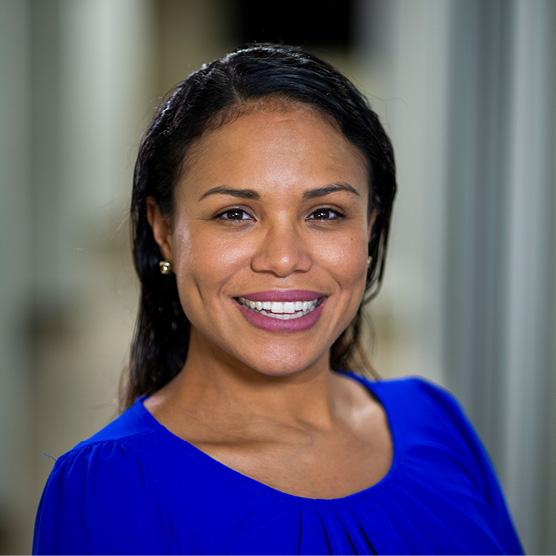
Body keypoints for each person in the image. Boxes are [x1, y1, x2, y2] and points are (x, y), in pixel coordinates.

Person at [32, 43, 524, 555]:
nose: (285, 259)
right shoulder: (110, 487)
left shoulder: (434, 421)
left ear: (370, 228)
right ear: (163, 231)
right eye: (235, 214)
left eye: (326, 213)